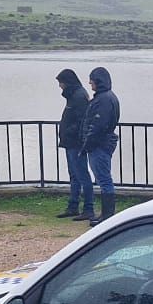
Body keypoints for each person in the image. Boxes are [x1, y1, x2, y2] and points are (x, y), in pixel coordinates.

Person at [82, 65, 120, 222]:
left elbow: (98, 124)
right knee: (104, 179)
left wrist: (88, 143)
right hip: (103, 143)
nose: (90, 85)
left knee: (104, 179)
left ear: (98, 81)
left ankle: (107, 216)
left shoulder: (104, 99)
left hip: (100, 145)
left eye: (91, 82)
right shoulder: (107, 97)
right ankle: (106, 215)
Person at [55, 68, 92, 220]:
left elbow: (81, 121)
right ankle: (73, 206)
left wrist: (70, 132)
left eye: (60, 83)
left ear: (67, 82)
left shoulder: (79, 96)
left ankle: (88, 208)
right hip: (70, 142)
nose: (60, 86)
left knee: (82, 175)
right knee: (74, 175)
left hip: (75, 143)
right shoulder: (74, 96)